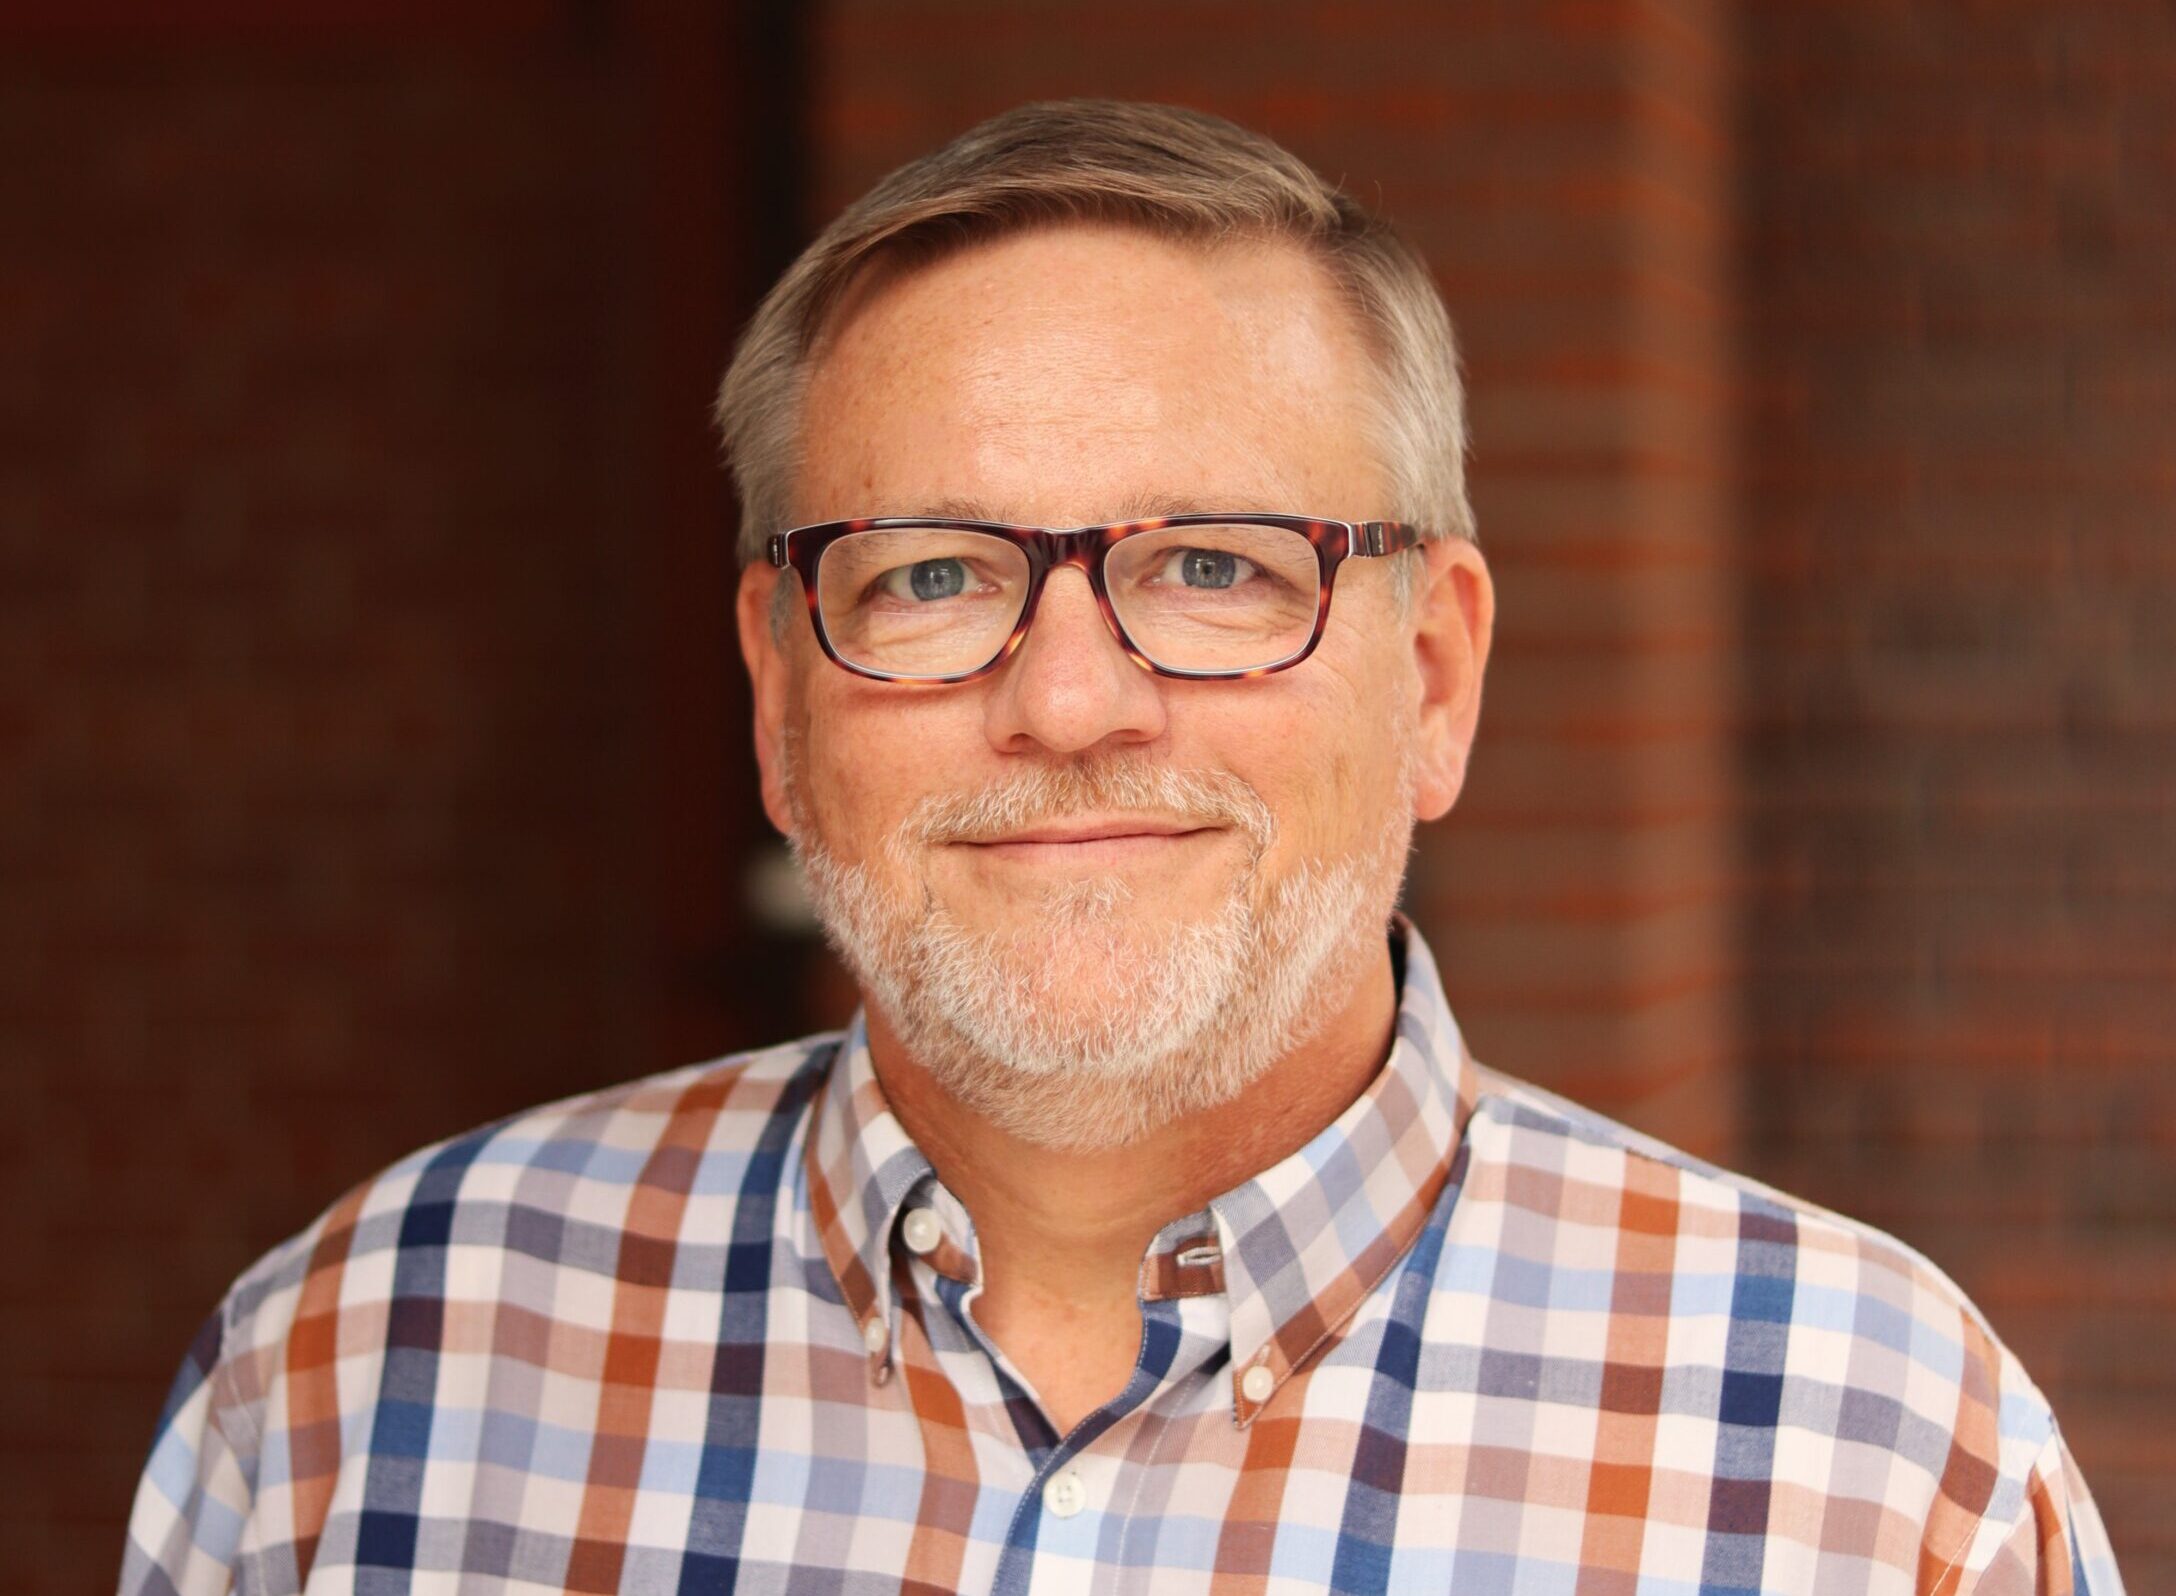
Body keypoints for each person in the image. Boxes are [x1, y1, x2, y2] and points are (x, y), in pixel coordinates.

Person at [122, 100, 2123, 1595]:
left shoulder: (1868, 1466)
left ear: (1430, 677)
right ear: (774, 698)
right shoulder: (362, 1374)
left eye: (1214, 569)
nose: (1069, 701)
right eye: (923, 577)